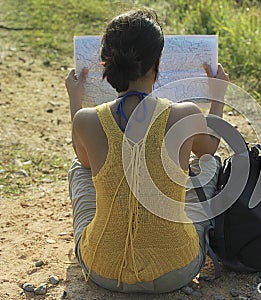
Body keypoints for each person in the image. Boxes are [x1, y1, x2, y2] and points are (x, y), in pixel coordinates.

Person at [65, 8, 229, 293]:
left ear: (106, 63)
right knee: (209, 164)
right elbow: (208, 150)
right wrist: (218, 95)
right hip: (176, 270)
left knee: (80, 170)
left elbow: (85, 161)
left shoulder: (86, 120)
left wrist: (74, 99)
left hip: (102, 269)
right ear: (158, 63)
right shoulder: (184, 114)